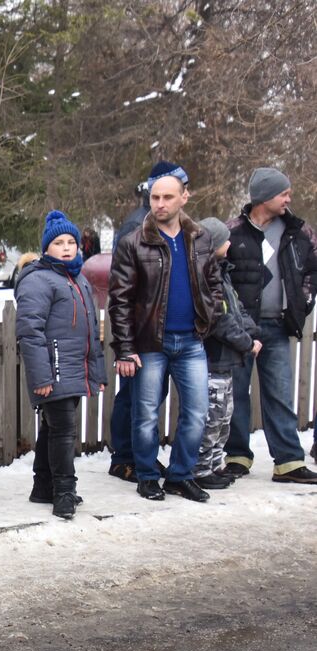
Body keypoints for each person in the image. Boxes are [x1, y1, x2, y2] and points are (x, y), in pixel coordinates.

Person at [108, 167, 221, 502]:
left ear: (184, 197)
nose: (159, 203)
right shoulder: (134, 242)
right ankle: (146, 476)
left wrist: (207, 319)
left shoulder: (200, 238)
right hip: (150, 344)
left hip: (190, 342)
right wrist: (126, 348)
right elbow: (120, 301)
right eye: (155, 197)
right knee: (145, 415)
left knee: (197, 411)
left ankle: (180, 475)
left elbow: (214, 285)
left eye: (167, 197)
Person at [223, 168, 317, 483]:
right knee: (236, 392)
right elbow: (217, 275)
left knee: (279, 392)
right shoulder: (232, 231)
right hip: (240, 330)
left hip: (277, 326)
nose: (289, 199)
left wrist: (304, 300)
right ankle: (236, 456)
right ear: (264, 197)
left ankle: (289, 462)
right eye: (283, 193)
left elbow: (312, 269)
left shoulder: (299, 231)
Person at [14, 211, 107, 519]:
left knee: (53, 429)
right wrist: (41, 376)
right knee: (64, 431)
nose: (67, 248)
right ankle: (64, 492)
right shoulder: (39, 280)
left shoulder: (78, 279)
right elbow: (30, 332)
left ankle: (43, 486)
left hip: (73, 370)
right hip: (52, 371)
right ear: (46, 248)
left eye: (72, 242)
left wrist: (97, 373)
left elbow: (91, 331)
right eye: (58, 243)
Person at [107, 163, 184, 483]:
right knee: (134, 397)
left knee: (150, 397)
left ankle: (140, 457)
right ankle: (125, 458)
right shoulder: (136, 228)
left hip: (163, 329)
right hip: (141, 330)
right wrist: (130, 336)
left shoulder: (172, 227)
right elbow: (123, 284)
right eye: (159, 194)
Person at [193, 217, 263, 489]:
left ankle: (214, 462)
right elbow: (221, 321)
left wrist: (253, 332)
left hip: (227, 362)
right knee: (212, 416)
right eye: (224, 241)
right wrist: (246, 342)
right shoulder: (208, 279)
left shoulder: (224, 274)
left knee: (224, 416)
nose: (230, 243)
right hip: (214, 359)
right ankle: (200, 468)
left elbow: (238, 310)